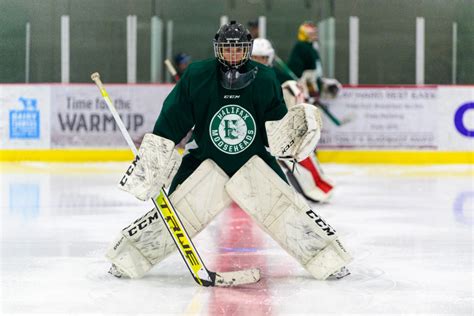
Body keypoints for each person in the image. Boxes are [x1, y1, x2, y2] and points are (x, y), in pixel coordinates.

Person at [105, 21, 351, 281]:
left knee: (288, 211)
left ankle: (329, 260)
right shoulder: (197, 75)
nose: (232, 55)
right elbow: (172, 118)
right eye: (226, 49)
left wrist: (294, 134)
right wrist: (152, 163)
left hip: (253, 161)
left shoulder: (266, 78)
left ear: (247, 50)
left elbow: (276, 131)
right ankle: (127, 259)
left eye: (237, 49)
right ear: (217, 49)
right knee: (173, 215)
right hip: (204, 161)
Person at [251, 37, 335, 203]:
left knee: (295, 157)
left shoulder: (281, 78)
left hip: (275, 129)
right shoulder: (242, 77)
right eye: (254, 58)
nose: (258, 62)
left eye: (261, 58)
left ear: (268, 58)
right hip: (252, 127)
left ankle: (317, 186)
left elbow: (294, 98)